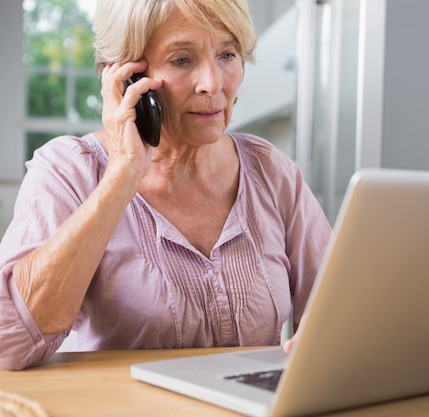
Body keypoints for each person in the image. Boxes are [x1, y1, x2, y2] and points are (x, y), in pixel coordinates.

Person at [0, 0, 331, 371]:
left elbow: (343, 309)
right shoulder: (68, 171)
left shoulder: (271, 171)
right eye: (181, 60)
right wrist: (123, 173)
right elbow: (9, 344)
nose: (213, 83)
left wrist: (331, 336)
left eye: (227, 54)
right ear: (126, 78)